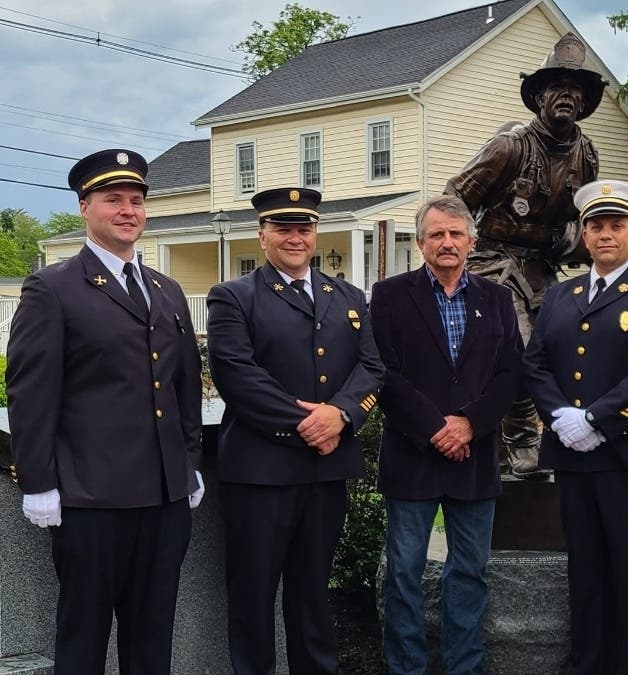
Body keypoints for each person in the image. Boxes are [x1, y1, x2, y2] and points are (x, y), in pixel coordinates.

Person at [4, 148, 204, 674]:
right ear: (84, 207)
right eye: (112, 199)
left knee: (153, 637)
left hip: (163, 499)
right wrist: (38, 482)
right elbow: (29, 392)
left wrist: (189, 461)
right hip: (90, 501)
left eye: (136, 201)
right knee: (84, 637)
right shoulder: (54, 287)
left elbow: (184, 383)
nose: (127, 210)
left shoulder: (166, 289)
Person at [206, 187, 385, 675]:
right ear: (262, 236)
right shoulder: (234, 296)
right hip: (261, 473)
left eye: (303, 228)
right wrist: (311, 424)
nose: (294, 237)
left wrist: (343, 415)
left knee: (313, 597)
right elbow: (237, 375)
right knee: (253, 597)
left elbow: (372, 367)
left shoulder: (347, 296)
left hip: (325, 475)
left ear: (315, 233)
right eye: (282, 228)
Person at [523, 179, 628, 674]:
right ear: (583, 233)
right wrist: (561, 419)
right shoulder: (560, 295)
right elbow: (535, 364)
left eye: (617, 225)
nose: (605, 234)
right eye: (595, 226)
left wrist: (594, 419)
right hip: (575, 461)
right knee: (587, 576)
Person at [370, 195, 522, 675]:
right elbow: (384, 374)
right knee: (403, 574)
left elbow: (510, 373)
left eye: (456, 234)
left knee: (470, 572)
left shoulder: (496, 299)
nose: (447, 242)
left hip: (474, 459)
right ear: (420, 243)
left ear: (471, 242)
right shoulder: (390, 296)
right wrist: (435, 427)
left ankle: (464, 667)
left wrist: (471, 424)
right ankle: (407, 668)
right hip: (412, 455)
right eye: (437, 234)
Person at [445, 32, 605, 479]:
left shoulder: (586, 153)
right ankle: (522, 443)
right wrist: (461, 251)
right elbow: (455, 196)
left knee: (558, 350)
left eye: (576, 89)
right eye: (557, 87)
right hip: (491, 261)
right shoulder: (510, 146)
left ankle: (549, 436)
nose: (567, 96)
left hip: (542, 267)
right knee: (518, 344)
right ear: (538, 96)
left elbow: (586, 214)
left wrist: (573, 239)